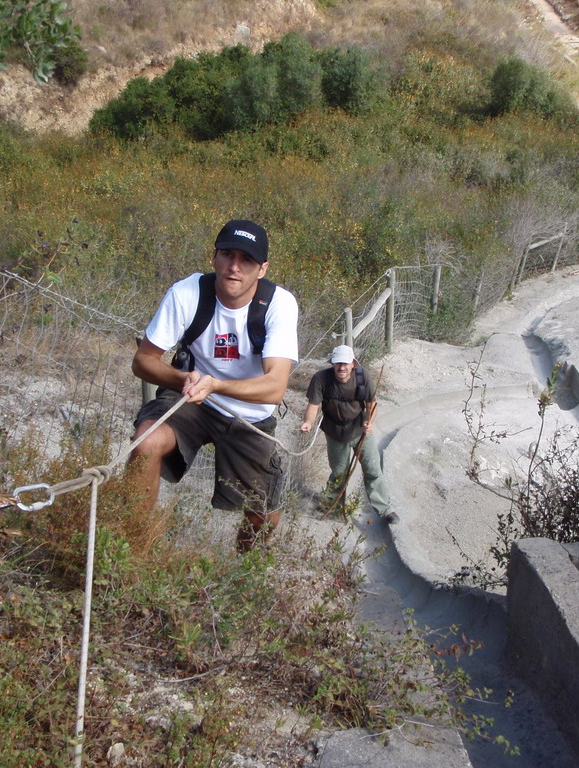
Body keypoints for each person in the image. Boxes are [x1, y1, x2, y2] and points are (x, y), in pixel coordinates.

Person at [128, 219, 299, 551]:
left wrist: (216, 385)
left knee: (263, 516)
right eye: (227, 255)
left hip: (250, 415)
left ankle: (243, 566)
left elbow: (274, 387)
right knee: (146, 442)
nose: (234, 267)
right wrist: (182, 379)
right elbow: (143, 361)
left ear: (262, 269)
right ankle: (131, 549)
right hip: (192, 398)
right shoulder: (187, 293)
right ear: (214, 257)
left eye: (247, 260)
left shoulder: (278, 304)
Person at [300, 345, 396, 523]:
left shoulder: (362, 376)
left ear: (353, 364)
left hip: (360, 431)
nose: (341, 368)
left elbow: (371, 404)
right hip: (335, 433)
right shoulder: (321, 379)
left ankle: (384, 509)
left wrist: (369, 422)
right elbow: (313, 405)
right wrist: (308, 422)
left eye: (345, 363)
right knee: (339, 473)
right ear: (332, 363)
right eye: (337, 363)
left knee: (373, 469)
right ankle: (332, 506)